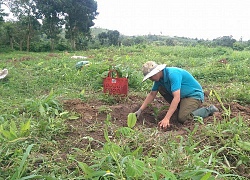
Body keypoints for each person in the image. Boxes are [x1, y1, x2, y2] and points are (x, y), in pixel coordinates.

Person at [134, 61, 218, 128]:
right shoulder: (158, 79)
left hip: (193, 95)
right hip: (182, 97)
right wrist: (140, 110)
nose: (150, 79)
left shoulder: (173, 74)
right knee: (160, 88)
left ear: (158, 71)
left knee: (183, 118)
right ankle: (182, 107)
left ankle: (209, 109)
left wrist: (166, 118)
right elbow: (152, 94)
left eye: (151, 76)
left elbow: (176, 97)